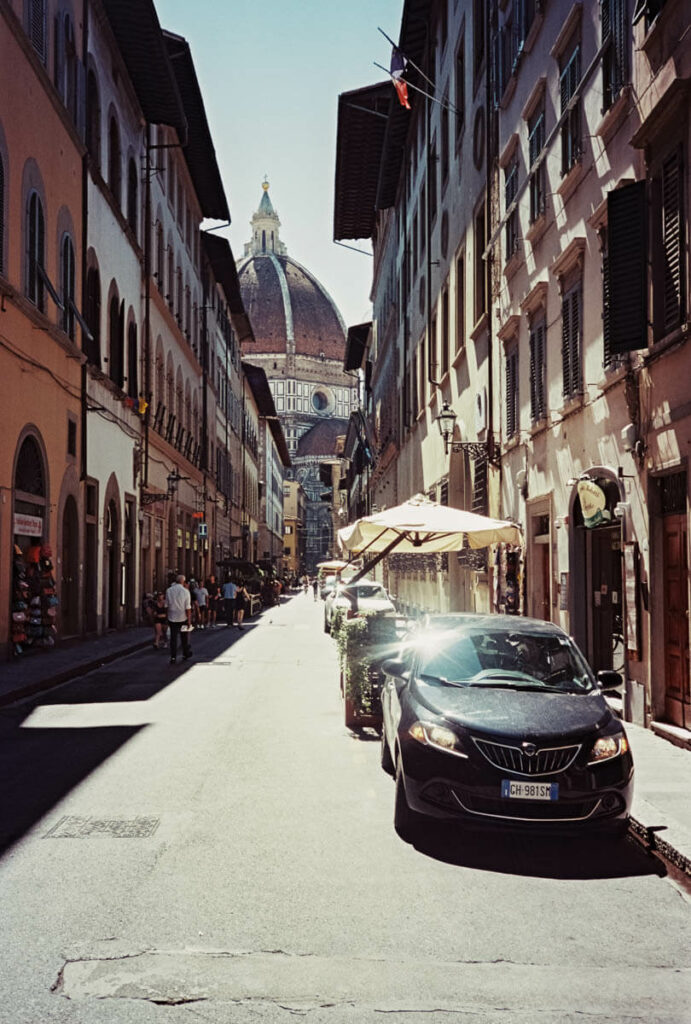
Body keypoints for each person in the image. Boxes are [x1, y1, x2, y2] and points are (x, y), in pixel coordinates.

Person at [166, 574, 192, 664]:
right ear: (183, 582)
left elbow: (167, 605)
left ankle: (173, 657)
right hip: (182, 617)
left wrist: (167, 616)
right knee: (184, 637)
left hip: (172, 617)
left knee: (173, 638)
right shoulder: (186, 592)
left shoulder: (169, 590)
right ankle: (185, 653)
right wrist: (189, 620)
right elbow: (188, 607)